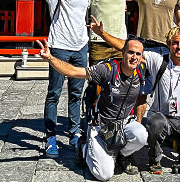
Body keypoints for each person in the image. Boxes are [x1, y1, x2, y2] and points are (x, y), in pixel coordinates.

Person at [91, 21, 180, 176]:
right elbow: (126, 47)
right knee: (156, 122)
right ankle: (154, 157)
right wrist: (102, 33)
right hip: (163, 118)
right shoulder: (158, 61)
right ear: (168, 45)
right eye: (175, 43)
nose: (179, 47)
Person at [35, 37, 148, 181]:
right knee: (104, 175)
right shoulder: (107, 70)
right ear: (123, 52)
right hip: (101, 127)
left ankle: (122, 155)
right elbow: (73, 71)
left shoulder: (141, 70)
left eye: (138, 54)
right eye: (131, 52)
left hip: (124, 124)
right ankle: (84, 148)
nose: (134, 57)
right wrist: (51, 58)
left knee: (142, 135)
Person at [15, 0, 91, 158]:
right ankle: (50, 136)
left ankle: (74, 132)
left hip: (81, 46)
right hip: (59, 46)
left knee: (77, 94)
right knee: (54, 93)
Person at [128, 0, 180, 122]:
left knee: (169, 90)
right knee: (142, 90)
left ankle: (168, 127)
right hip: (144, 45)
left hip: (167, 45)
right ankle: (138, 126)